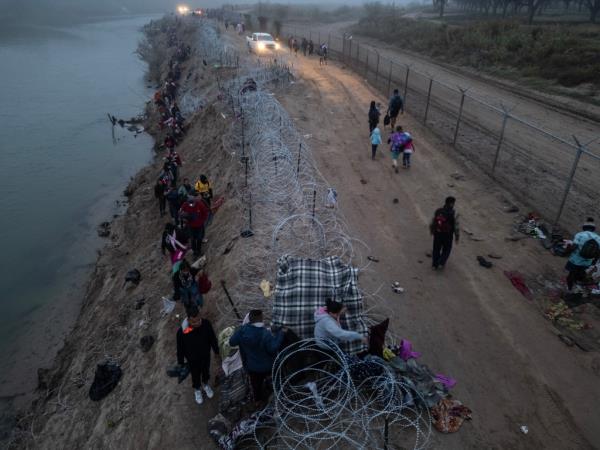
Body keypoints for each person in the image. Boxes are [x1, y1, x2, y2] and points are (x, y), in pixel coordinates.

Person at [229, 310, 284, 404]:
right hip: (268, 366)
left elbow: (232, 342)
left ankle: (257, 401)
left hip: (251, 367)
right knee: (275, 378)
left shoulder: (242, 331)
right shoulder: (265, 333)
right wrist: (281, 334)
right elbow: (272, 348)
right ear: (261, 319)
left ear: (249, 319)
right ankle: (278, 394)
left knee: (256, 386)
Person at [176, 305, 219, 405]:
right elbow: (180, 349)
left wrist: (216, 351)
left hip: (205, 356)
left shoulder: (206, 324)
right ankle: (197, 389)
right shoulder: (182, 332)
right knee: (195, 375)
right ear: (188, 319)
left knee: (205, 371)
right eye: (194, 322)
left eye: (199, 320)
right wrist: (181, 363)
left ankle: (205, 384)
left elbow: (212, 338)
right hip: (192, 360)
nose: (198, 323)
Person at [565, 218, 600, 290]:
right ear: (593, 229)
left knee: (570, 276)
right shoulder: (598, 238)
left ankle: (569, 289)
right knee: (580, 275)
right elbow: (598, 253)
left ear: (584, 228)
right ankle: (578, 287)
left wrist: (566, 252)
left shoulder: (580, 235)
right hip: (587, 262)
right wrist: (593, 263)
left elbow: (574, 247)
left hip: (575, 260)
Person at [430, 197, 460, 270]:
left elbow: (433, 222)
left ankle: (434, 265)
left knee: (436, 249)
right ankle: (441, 263)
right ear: (452, 203)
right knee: (446, 249)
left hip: (438, 233)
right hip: (448, 235)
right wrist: (457, 237)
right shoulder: (453, 213)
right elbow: (456, 226)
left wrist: (432, 231)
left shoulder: (438, 211)